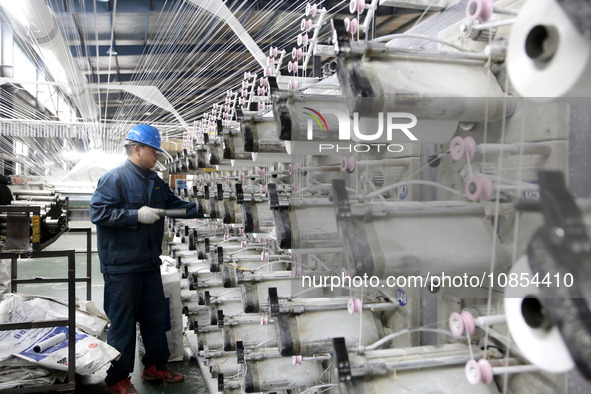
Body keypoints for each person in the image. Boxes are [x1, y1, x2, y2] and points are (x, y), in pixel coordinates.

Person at [90, 124, 203, 394]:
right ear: (137, 149)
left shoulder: (154, 181)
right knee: (123, 323)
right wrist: (134, 215)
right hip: (121, 267)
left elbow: (177, 206)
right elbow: (99, 214)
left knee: (155, 318)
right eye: (154, 151)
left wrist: (212, 208)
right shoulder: (114, 179)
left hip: (149, 264)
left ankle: (154, 366)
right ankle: (117, 378)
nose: (157, 157)